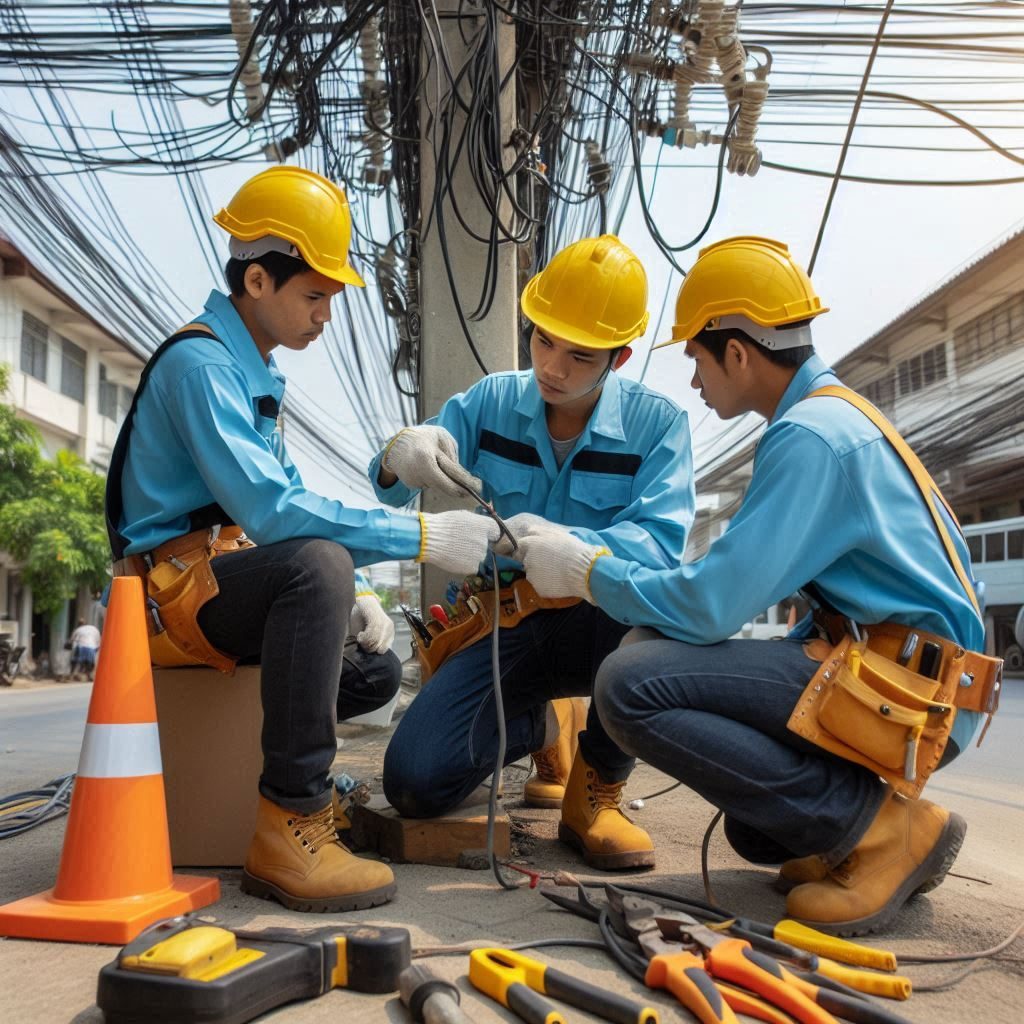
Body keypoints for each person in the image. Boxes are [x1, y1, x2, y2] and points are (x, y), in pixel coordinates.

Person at [516, 236, 1001, 934]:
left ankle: (880, 835)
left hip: (914, 696)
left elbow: (709, 605)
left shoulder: (812, 438)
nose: (694, 380)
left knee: (629, 682)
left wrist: (584, 571)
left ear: (737, 353)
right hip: (910, 678)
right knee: (758, 833)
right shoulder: (830, 419)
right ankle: (852, 828)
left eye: (697, 358)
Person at [106, 166, 499, 913]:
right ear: (257, 280)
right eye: (314, 295)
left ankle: (282, 790)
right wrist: (420, 535)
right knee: (317, 563)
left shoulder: (249, 374)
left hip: (218, 581)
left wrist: (348, 606)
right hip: (169, 597)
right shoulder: (201, 367)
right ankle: (291, 822)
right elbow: (279, 514)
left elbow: (285, 510)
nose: (326, 314)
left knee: (373, 674)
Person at [371, 235, 695, 870]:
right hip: (505, 624)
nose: (552, 366)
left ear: (620, 357)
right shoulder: (489, 403)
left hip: (602, 622)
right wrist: (398, 455)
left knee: (649, 608)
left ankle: (597, 793)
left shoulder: (660, 427)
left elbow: (660, 546)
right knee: (413, 782)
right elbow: (392, 479)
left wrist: (573, 548)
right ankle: (544, 727)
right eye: (543, 339)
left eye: (579, 355)